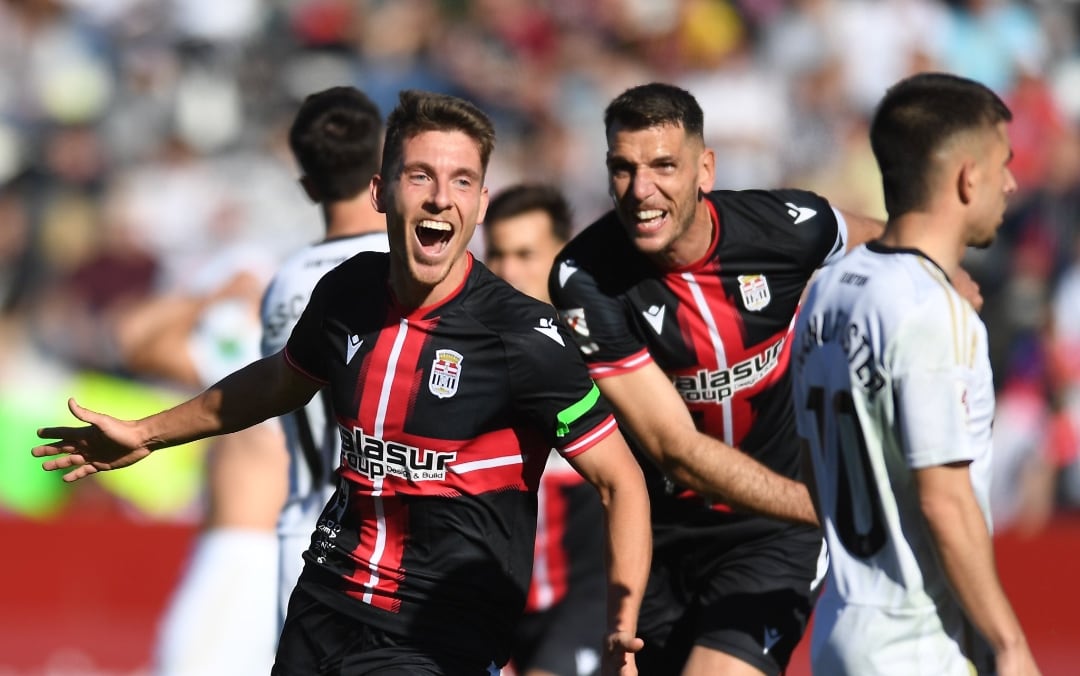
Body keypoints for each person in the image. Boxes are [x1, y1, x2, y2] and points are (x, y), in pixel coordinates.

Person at [33, 89, 652, 676]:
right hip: (325, 598)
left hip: (440, 627)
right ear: (381, 192)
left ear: (482, 202)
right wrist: (147, 434)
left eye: (461, 180)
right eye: (421, 177)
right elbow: (278, 381)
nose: (441, 198)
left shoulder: (524, 336)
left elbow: (620, 480)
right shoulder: (347, 290)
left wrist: (621, 629)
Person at [548, 82, 884, 676]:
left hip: (775, 529)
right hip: (662, 537)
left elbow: (888, 244)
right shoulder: (585, 278)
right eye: (622, 168)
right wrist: (829, 509)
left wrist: (945, 276)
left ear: (705, 169)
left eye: (663, 166)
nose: (641, 190)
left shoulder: (785, 224)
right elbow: (676, 451)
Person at [790, 72, 1040, 676]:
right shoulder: (932, 312)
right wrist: (1008, 642)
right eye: (1003, 162)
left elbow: (812, 468)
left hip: (842, 625)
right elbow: (945, 501)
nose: (1010, 182)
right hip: (916, 643)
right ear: (967, 176)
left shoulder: (827, 287)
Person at [258, 85, 390, 630]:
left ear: (308, 187)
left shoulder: (284, 282)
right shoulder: (406, 271)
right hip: (393, 539)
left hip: (301, 538)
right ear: (382, 168)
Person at [483, 183, 607, 676]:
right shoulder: (464, 358)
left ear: (561, 254)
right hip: (488, 599)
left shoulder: (603, 352)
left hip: (582, 596)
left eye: (526, 254)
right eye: (498, 253)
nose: (509, 270)